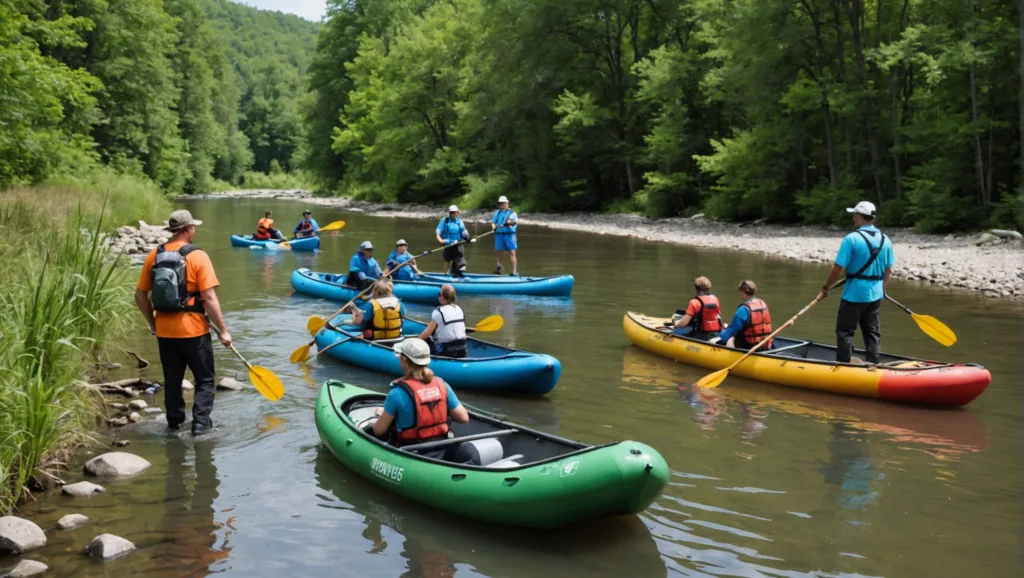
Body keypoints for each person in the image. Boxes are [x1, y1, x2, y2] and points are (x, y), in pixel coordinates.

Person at [134, 210, 231, 436]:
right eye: (193, 227)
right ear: (188, 229)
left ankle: (174, 424)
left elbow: (140, 295)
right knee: (205, 380)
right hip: (194, 331)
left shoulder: (153, 255)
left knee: (172, 381)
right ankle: (200, 426)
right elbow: (208, 298)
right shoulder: (198, 256)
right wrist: (223, 331)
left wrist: (153, 323)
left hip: (165, 332)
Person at [818, 201, 894, 364]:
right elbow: (889, 271)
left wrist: (826, 287)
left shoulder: (851, 239)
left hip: (854, 295)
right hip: (876, 295)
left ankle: (844, 366)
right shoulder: (886, 240)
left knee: (845, 331)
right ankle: (874, 364)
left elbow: (838, 268)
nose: (853, 218)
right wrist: (882, 290)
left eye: (854, 214)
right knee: (872, 332)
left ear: (860, 216)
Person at [373, 338, 469, 454]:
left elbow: (378, 431)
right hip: (441, 447)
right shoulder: (442, 385)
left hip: (410, 451)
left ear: (404, 360)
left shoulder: (396, 394)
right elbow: (463, 418)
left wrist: (386, 414)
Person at [712, 280, 774, 350]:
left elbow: (733, 329)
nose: (740, 296)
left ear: (744, 293)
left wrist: (721, 336)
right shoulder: (762, 303)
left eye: (740, 293)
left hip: (750, 345)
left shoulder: (743, 310)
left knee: (729, 339)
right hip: (764, 343)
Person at [417, 284, 468, 358]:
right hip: (462, 349)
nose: (439, 296)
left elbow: (427, 333)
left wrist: (415, 341)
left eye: (439, 294)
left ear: (442, 296)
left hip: (446, 351)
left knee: (427, 339)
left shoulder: (438, 312)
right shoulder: (459, 309)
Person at [670, 276, 723, 340]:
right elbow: (718, 316)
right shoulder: (715, 299)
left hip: (701, 334)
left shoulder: (694, 302)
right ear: (708, 288)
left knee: (675, 332)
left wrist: (676, 326)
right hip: (715, 332)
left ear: (695, 287)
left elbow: (684, 323)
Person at [435, 205, 472, 277]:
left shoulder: (459, 222)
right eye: (451, 212)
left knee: (457, 258)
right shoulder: (445, 221)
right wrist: (440, 240)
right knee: (447, 259)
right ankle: (445, 274)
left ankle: (454, 272)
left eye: (454, 212)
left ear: (457, 213)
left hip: (457, 243)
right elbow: (438, 232)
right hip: (447, 243)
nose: (452, 214)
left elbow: (463, 232)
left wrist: (467, 238)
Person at [490, 195, 519, 276]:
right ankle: (498, 269)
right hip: (499, 235)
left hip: (509, 235)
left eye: (503, 203)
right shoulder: (498, 213)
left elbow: (515, 222)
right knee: (499, 254)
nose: (502, 205)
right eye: (501, 204)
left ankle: (514, 272)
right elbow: (493, 222)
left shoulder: (512, 213)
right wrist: (493, 228)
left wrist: (508, 223)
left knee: (512, 253)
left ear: (507, 203)